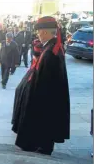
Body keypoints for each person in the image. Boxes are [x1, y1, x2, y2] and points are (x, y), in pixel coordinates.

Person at [12, 16, 70, 156]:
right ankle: (42, 145)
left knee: (45, 124)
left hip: (45, 98)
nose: (38, 35)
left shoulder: (51, 52)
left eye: (39, 32)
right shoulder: (51, 48)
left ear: (44, 32)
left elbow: (46, 81)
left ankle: (42, 147)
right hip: (47, 97)